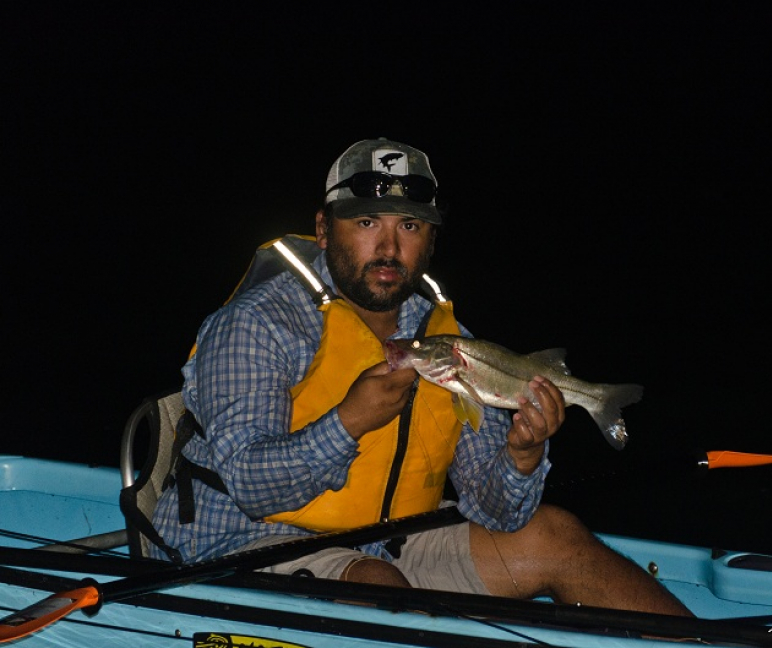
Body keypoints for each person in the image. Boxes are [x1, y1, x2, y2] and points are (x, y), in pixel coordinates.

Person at [150, 137, 692, 616]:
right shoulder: (258, 324)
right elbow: (249, 485)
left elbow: (499, 512)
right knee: (386, 590)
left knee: (556, 535)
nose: (388, 249)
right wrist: (349, 422)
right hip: (240, 543)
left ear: (430, 240)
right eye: (366, 222)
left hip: (387, 540)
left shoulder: (444, 341)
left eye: (408, 226)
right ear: (323, 228)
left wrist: (522, 457)